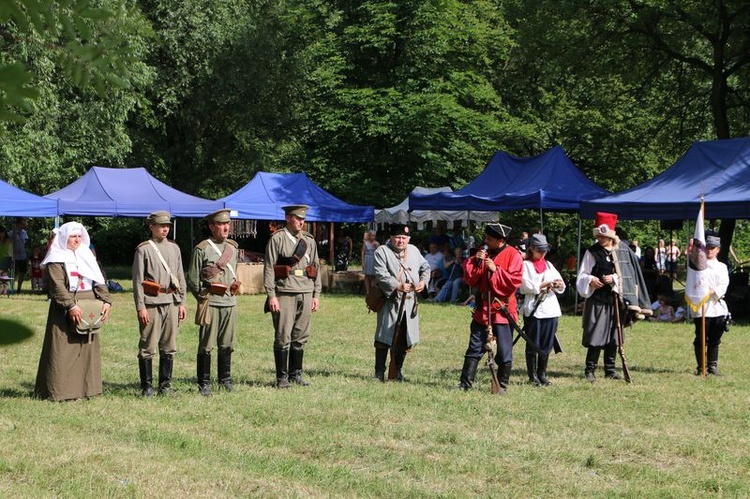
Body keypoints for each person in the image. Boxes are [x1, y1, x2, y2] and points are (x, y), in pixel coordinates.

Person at [34, 222, 112, 401]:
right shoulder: (56, 258)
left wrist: (106, 301)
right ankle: (61, 391)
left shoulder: (86, 254)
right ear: (64, 238)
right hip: (65, 307)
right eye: (72, 236)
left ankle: (87, 390)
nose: (77, 240)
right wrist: (71, 305)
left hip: (89, 305)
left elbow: (98, 280)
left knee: (87, 348)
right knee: (63, 350)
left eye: (79, 236)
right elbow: (57, 285)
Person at [458, 222, 523, 393]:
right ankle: (465, 384)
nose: (485, 241)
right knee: (474, 347)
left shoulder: (513, 255)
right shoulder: (483, 252)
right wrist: (478, 263)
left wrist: (496, 270)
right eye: (485, 238)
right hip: (483, 309)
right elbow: (471, 278)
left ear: (500, 240)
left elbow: (513, 282)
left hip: (502, 309)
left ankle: (501, 385)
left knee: (504, 351)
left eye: (489, 239)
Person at [264, 205, 321, 388]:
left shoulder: (309, 241)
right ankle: (282, 377)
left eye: (303, 219)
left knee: (301, 335)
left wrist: (316, 294)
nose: (301, 222)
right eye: (298, 218)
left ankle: (296, 374)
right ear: (288, 218)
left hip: (305, 290)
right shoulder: (277, 239)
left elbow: (316, 268)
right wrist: (271, 295)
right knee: (283, 335)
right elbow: (269, 268)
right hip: (285, 292)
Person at [132, 211, 187, 396]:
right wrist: (141, 307)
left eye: (168, 226)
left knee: (169, 345)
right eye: (162, 226)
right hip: (152, 303)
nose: (165, 229)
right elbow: (138, 281)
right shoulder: (144, 249)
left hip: (171, 301)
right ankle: (147, 387)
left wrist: (182, 302)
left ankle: (165, 386)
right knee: (148, 345)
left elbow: (180, 277)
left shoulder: (175, 249)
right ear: (151, 227)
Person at [187, 209, 241, 396]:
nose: (226, 227)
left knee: (227, 343)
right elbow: (193, 280)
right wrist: (203, 298)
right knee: (207, 344)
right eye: (221, 224)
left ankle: (225, 379)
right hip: (211, 302)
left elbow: (234, 272)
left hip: (229, 303)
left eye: (227, 224)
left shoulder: (232, 248)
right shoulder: (202, 249)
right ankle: (204, 382)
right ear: (212, 226)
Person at [372, 223, 430, 382]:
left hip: (410, 303)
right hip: (391, 301)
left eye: (404, 238)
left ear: (408, 238)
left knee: (405, 338)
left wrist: (423, 282)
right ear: (391, 237)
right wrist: (398, 285)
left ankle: (397, 372)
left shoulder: (414, 250)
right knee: (384, 338)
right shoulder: (382, 252)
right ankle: (379, 373)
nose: (400, 241)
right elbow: (381, 274)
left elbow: (426, 267)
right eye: (397, 237)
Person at [576, 212, 628, 382]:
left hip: (615, 300)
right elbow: (583, 274)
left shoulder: (621, 252)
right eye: (598, 235)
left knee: (614, 335)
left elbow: (628, 275)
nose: (600, 238)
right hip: (598, 299)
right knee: (596, 334)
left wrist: (613, 279)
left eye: (603, 235)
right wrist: (590, 280)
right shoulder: (592, 252)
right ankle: (589, 369)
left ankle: (610, 369)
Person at [519, 234, 565, 386]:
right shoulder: (525, 265)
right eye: (539, 250)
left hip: (550, 309)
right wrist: (544, 284)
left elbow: (561, 284)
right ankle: (532, 376)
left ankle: (542, 374)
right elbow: (525, 286)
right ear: (531, 249)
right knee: (533, 344)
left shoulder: (549, 265)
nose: (543, 253)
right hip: (534, 308)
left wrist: (557, 284)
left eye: (544, 250)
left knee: (546, 344)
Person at [691, 231, 729, 375]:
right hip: (702, 307)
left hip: (716, 306)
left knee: (715, 338)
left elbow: (723, 284)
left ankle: (712, 366)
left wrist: (712, 292)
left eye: (713, 248)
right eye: (708, 247)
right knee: (701, 338)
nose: (710, 250)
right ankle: (701, 367)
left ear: (718, 249)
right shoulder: (697, 266)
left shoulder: (722, 267)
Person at [8, 217, 28, 293]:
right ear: (18, 224)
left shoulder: (24, 233)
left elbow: (25, 242)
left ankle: (19, 288)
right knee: (13, 272)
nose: (24, 225)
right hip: (14, 256)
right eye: (22, 223)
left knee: (22, 273)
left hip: (22, 255)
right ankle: (11, 288)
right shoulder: (11, 233)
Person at [361, 230, 380, 295]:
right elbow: (363, 253)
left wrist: (377, 246)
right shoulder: (366, 243)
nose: (373, 237)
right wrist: (363, 262)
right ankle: (367, 291)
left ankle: (372, 290)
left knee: (373, 276)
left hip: (374, 259)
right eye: (372, 235)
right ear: (369, 236)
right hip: (367, 259)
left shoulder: (377, 243)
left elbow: (379, 252)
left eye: (374, 236)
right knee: (367, 275)